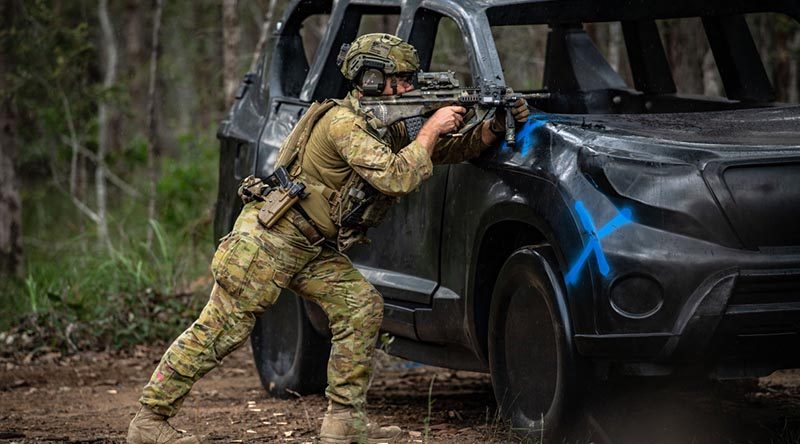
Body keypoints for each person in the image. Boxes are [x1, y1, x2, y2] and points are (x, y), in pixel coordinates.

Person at [126, 33, 529, 444]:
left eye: (411, 79)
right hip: (268, 242)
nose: (409, 87)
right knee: (220, 329)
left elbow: (442, 153)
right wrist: (430, 128)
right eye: (401, 79)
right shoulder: (344, 124)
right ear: (372, 80)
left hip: (309, 246)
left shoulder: (380, 125)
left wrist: (492, 127)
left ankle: (343, 423)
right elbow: (397, 176)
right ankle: (149, 421)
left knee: (360, 306)